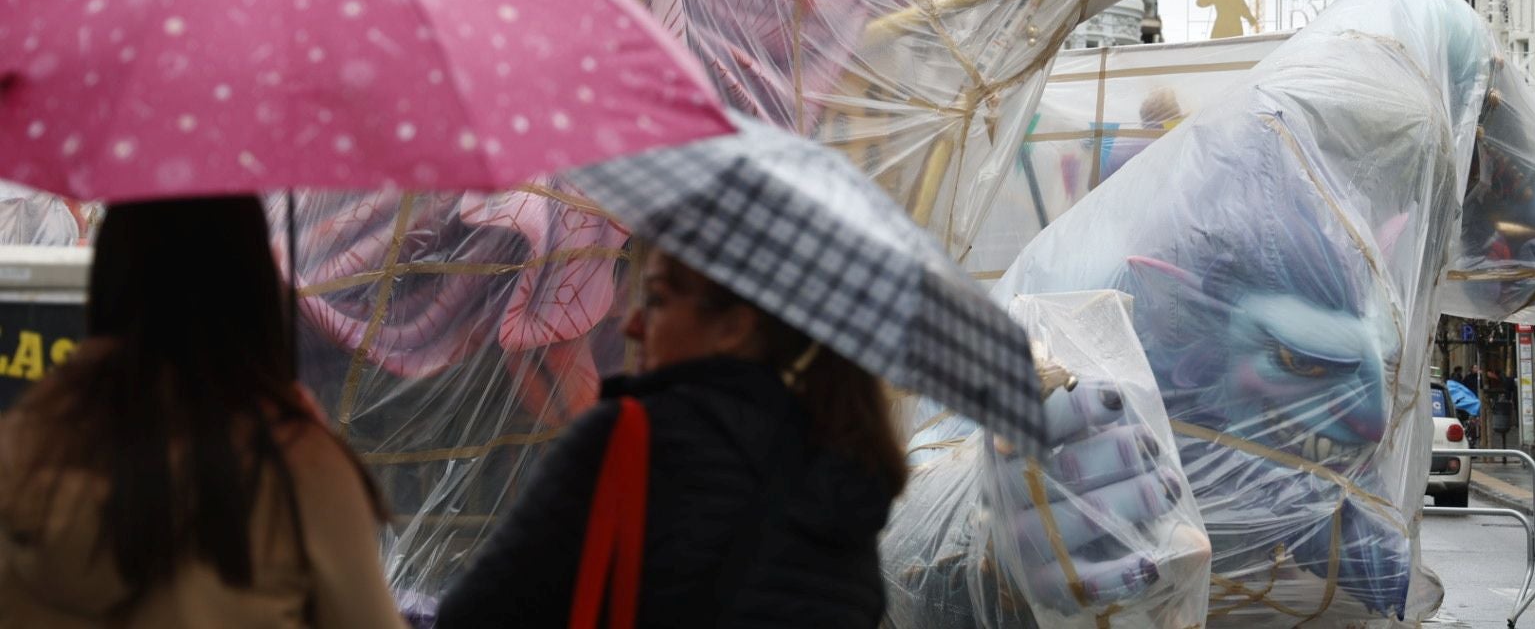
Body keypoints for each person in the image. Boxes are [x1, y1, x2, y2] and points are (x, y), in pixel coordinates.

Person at [434, 248, 906, 628]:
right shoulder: (848, 482)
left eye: (658, 300)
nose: (630, 325)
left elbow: (473, 616)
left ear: (734, 328)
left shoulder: (631, 438)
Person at [0, 197, 406, 629]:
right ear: (256, 288)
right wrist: (310, 446)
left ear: (108, 280)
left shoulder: (22, 445)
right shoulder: (300, 470)